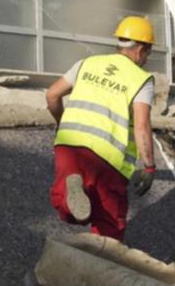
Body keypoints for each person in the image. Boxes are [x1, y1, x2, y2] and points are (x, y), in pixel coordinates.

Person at [46, 16, 159, 241]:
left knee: (68, 206)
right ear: (140, 49)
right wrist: (149, 167)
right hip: (107, 157)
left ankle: (73, 192)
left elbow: (52, 94)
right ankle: (103, 269)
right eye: (148, 53)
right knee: (109, 224)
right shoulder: (141, 79)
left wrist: (62, 124)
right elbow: (142, 126)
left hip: (69, 145)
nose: (146, 59)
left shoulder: (87, 63)